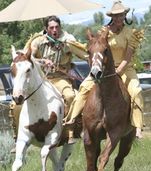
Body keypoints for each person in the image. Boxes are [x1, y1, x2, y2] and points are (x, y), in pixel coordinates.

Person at [64, 0, 144, 139]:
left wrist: (118, 70)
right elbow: (97, 51)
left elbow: (127, 57)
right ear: (112, 16)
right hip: (104, 68)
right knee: (83, 87)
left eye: (121, 15)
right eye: (116, 16)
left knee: (136, 91)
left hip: (125, 68)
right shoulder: (103, 32)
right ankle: (72, 120)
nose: (119, 18)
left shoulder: (131, 34)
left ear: (125, 15)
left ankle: (137, 126)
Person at [10, 15, 88, 150]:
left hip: (60, 78)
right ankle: (18, 138)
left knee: (70, 96)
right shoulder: (38, 40)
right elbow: (28, 58)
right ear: (46, 29)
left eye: (57, 27)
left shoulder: (68, 40)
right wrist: (43, 61)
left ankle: (71, 130)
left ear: (60, 27)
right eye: (51, 27)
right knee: (14, 104)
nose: (54, 30)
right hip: (41, 79)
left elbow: (85, 54)